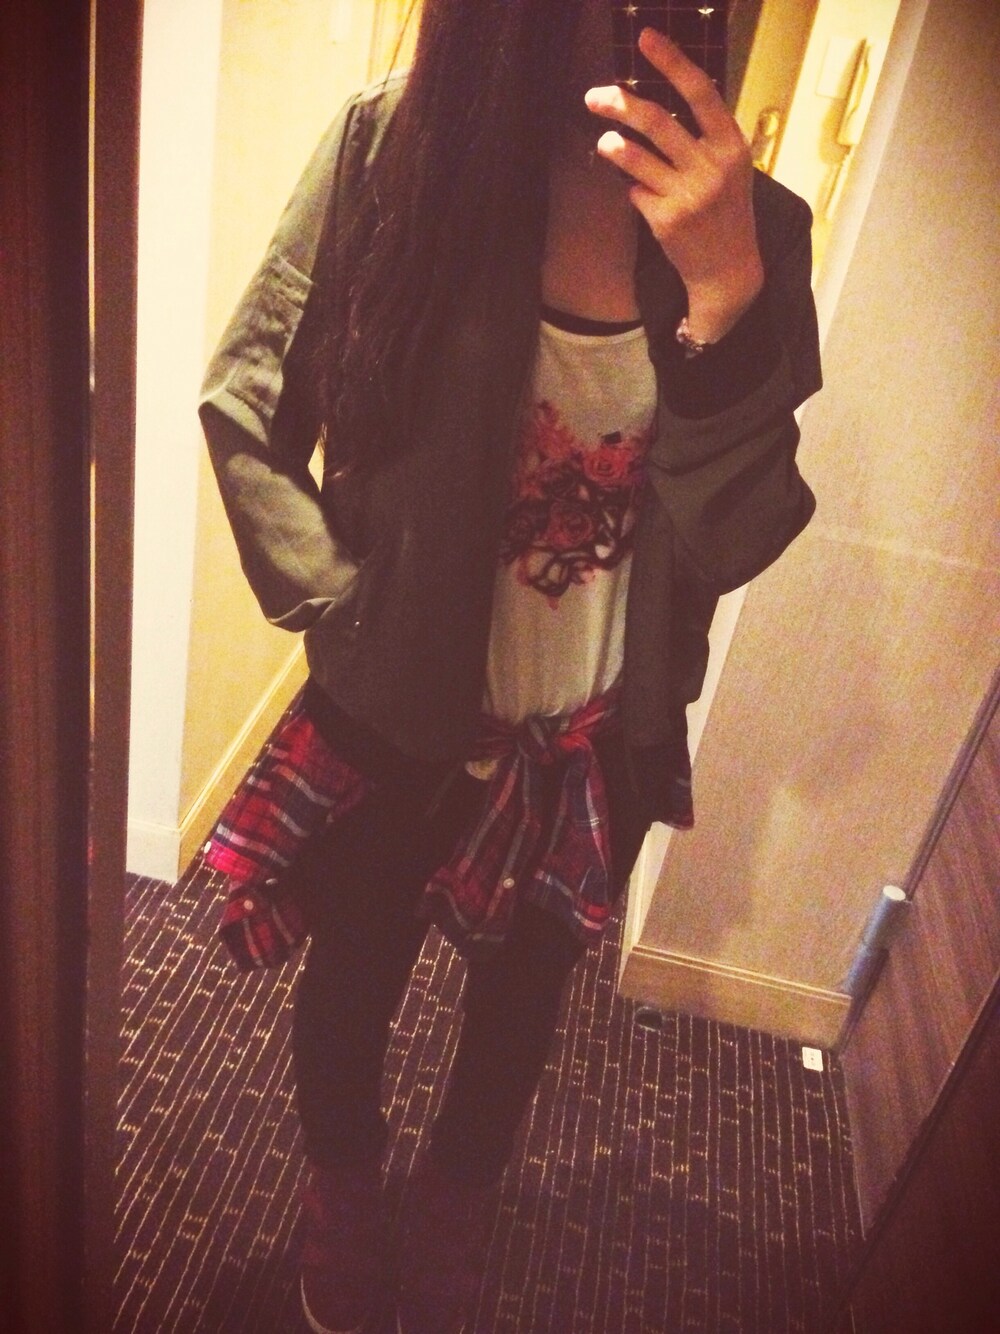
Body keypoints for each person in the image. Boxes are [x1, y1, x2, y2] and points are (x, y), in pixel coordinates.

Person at [199, 2, 821, 1331]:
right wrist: (343, 606)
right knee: (351, 981)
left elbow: (739, 533)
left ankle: (454, 1201)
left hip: (591, 743)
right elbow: (245, 400)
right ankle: (343, 1191)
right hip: (396, 722)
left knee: (519, 1012)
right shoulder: (392, 152)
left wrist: (724, 297)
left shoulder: (758, 232)